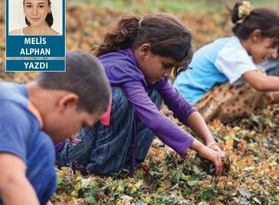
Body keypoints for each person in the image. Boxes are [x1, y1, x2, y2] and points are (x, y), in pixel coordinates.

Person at [56, 13, 226, 176]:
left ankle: (126, 163)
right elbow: (153, 118)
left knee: (155, 92)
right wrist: (200, 148)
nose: (168, 74)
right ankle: (100, 170)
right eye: (166, 66)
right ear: (145, 50)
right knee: (118, 98)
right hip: (70, 152)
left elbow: (182, 107)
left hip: (88, 145)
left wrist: (210, 141)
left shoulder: (146, 70)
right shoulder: (120, 68)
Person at [173, 2, 279, 123]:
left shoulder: (237, 50)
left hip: (193, 103)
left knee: (256, 79)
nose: (274, 55)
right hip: (187, 107)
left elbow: (263, 92)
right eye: (272, 46)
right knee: (255, 81)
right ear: (256, 35)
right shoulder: (232, 51)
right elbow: (260, 84)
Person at [0, 52, 111, 205]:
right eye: (82, 124)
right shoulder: (10, 107)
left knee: (43, 154)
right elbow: (10, 181)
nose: (74, 137)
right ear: (67, 103)